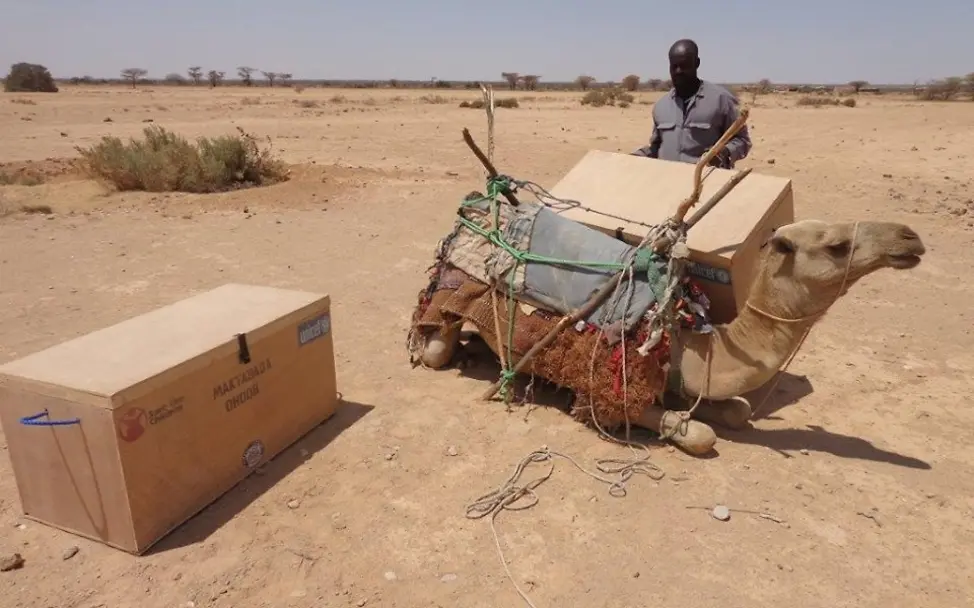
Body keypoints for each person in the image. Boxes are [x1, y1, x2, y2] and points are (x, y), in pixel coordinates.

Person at [632, 39, 751, 169]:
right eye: (674, 66)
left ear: (697, 63)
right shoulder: (661, 106)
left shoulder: (722, 100)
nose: (678, 71)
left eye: (684, 65)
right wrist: (632, 158)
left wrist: (723, 154)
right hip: (666, 181)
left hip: (705, 183)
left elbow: (742, 141)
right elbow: (656, 147)